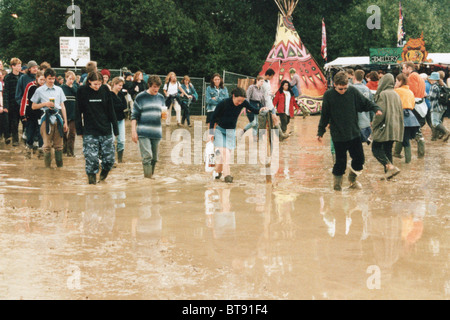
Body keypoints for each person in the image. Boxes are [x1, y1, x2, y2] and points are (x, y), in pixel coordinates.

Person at [317, 71, 382, 191]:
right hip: (338, 135)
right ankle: (337, 188)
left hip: (354, 133)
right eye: (340, 89)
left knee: (360, 160)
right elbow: (325, 115)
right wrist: (320, 132)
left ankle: (352, 180)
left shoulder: (352, 91)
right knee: (340, 163)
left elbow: (365, 102)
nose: (343, 91)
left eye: (345, 88)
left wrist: (375, 108)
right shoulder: (328, 95)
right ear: (334, 85)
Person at [209, 87, 269, 183]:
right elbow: (213, 118)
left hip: (231, 132)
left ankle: (217, 172)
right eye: (238, 100)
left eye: (242, 101)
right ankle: (227, 176)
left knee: (225, 156)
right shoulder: (223, 103)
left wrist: (261, 109)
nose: (240, 103)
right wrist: (211, 133)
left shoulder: (243, 102)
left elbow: (254, 110)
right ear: (233, 96)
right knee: (225, 154)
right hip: (220, 131)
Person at [75, 71, 118, 184]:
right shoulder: (82, 91)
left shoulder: (105, 90)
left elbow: (111, 110)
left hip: (106, 130)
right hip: (90, 131)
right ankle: (92, 185)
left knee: (109, 160)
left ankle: (103, 178)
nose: (97, 87)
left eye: (99, 84)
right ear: (89, 81)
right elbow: (78, 111)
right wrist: (79, 129)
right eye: (95, 84)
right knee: (92, 160)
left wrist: (115, 128)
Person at [30, 68, 68, 168]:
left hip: (58, 118)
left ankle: (60, 169)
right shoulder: (39, 90)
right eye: (49, 78)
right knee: (46, 146)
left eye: (53, 78)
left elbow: (62, 106)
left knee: (59, 146)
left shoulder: (59, 89)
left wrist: (65, 122)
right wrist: (45, 104)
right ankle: (47, 170)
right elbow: (33, 106)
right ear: (45, 78)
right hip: (45, 118)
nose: (51, 81)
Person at [131, 75, 166, 179]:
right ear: (149, 85)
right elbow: (134, 116)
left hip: (156, 131)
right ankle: (148, 179)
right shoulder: (140, 97)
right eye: (154, 86)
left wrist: (164, 116)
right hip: (143, 131)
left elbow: (163, 114)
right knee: (147, 156)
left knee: (154, 158)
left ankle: (150, 177)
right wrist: (133, 131)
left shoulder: (161, 97)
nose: (156, 89)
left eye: (158, 87)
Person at [370, 74, 403, 179]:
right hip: (395, 127)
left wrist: (374, 124)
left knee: (376, 148)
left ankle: (390, 167)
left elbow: (380, 113)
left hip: (384, 127)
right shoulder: (396, 94)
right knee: (388, 150)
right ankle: (389, 175)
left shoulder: (383, 94)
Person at [393, 74, 420, 164]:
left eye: (396, 81)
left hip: (400, 116)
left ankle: (408, 161)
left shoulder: (396, 91)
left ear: (400, 82)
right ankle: (398, 155)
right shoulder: (410, 92)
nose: (395, 83)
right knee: (405, 137)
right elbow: (413, 105)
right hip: (411, 117)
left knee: (404, 140)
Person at [402, 61, 426, 156]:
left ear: (409, 68)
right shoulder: (419, 77)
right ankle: (420, 154)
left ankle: (418, 154)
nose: (402, 71)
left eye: (404, 68)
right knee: (416, 130)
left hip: (414, 106)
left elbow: (411, 91)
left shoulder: (412, 77)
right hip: (420, 105)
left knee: (410, 130)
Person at [19, 70, 45, 158]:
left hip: (42, 115)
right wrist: (23, 114)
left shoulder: (46, 87)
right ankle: (28, 150)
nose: (42, 82)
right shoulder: (30, 86)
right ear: (37, 78)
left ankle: (41, 151)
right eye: (41, 79)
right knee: (30, 133)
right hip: (31, 114)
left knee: (41, 133)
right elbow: (24, 100)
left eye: (44, 80)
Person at [3, 58, 22, 146]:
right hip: (12, 103)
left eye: (20, 65)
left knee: (24, 121)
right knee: (14, 122)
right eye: (18, 65)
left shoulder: (22, 76)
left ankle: (25, 139)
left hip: (21, 102)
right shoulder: (8, 77)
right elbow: (5, 92)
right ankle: (15, 140)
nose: (19, 67)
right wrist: (6, 106)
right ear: (13, 66)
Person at [352, 70, 374, 145]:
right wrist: (371, 119)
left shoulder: (350, 89)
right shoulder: (367, 89)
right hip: (365, 121)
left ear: (354, 77)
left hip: (353, 122)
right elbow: (371, 105)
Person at [428, 72, 450, 142]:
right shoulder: (443, 85)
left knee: (435, 122)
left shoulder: (434, 86)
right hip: (442, 107)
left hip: (435, 107)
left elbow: (432, 97)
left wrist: (426, 95)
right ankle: (440, 134)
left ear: (433, 79)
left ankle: (446, 131)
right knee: (439, 121)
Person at [61, 71, 78, 157]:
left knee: (72, 133)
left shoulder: (75, 88)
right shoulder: (61, 88)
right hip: (63, 113)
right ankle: (64, 149)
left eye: (73, 79)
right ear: (66, 78)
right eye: (70, 79)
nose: (71, 81)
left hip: (73, 114)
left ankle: (70, 152)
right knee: (63, 132)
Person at [110, 77, 127, 163]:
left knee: (122, 140)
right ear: (114, 84)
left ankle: (120, 159)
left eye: (122, 85)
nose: (121, 87)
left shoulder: (121, 95)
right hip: (111, 120)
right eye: (119, 85)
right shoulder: (109, 94)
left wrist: (117, 107)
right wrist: (119, 106)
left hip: (121, 119)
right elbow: (110, 107)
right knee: (111, 139)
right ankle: (111, 159)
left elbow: (125, 106)